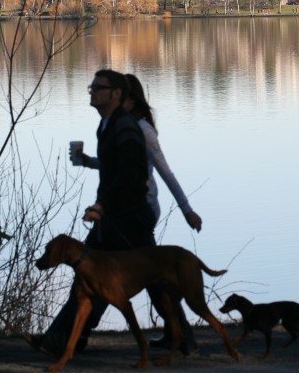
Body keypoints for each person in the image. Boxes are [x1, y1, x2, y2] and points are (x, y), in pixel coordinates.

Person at [73, 73, 204, 352]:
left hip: (138, 207)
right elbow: (115, 165)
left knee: (139, 272)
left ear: (128, 98)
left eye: (100, 89)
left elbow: (165, 171)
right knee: (143, 273)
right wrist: (87, 162)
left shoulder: (140, 129)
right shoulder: (114, 126)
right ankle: (178, 336)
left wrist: (187, 210)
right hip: (119, 208)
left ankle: (76, 334)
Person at [28, 69, 154, 358]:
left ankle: (183, 337)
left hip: (128, 220)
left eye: (99, 87)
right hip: (113, 218)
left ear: (117, 94)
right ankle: (64, 339)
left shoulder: (125, 129)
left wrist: (103, 205)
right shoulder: (108, 125)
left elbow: (131, 177)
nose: (92, 91)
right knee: (90, 278)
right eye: (91, 86)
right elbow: (114, 172)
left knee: (156, 278)